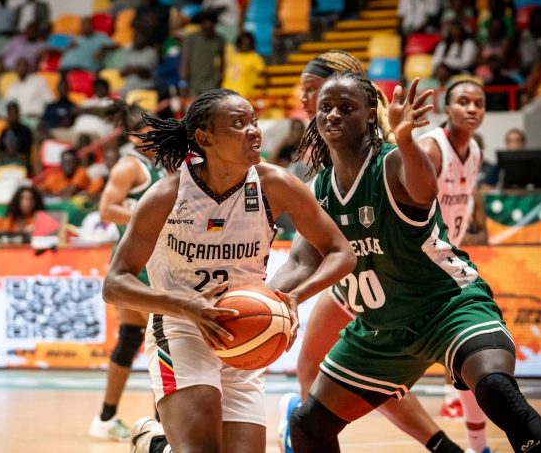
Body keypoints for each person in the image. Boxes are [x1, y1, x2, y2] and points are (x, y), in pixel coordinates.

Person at [278, 72, 541, 453]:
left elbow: (425, 189)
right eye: (326, 108)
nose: (333, 115)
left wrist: (407, 140)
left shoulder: (392, 162)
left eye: (346, 108)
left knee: (495, 388)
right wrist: (264, 297)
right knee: (307, 425)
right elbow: (300, 261)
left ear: (370, 116)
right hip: (381, 329)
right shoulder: (319, 190)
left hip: (447, 307)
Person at [103, 88, 356, 453]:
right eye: (238, 124)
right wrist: (185, 305)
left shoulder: (276, 184)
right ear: (205, 138)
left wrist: (293, 297)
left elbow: (341, 253)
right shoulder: (166, 195)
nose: (254, 131)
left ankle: (157, 446)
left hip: (243, 330)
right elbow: (114, 284)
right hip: (182, 328)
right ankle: (158, 444)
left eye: (254, 121)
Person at [277, 50, 463, 453]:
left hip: (396, 270)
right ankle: (311, 432)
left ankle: (311, 430)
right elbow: (305, 251)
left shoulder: (386, 146)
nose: (305, 99)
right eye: (308, 94)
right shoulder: (327, 147)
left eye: (312, 89)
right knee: (321, 367)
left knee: (365, 372)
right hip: (358, 271)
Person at [417, 79, 491, 452]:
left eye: (479, 102)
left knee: (470, 351)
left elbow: (464, 200)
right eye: (463, 101)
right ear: (447, 108)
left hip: (449, 259)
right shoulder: (431, 148)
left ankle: (478, 445)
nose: (472, 108)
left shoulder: (474, 150)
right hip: (419, 262)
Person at [90, 102, 168, 441]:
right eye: (151, 132)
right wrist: (147, 215)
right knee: (164, 341)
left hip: (146, 262)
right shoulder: (128, 166)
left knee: (132, 338)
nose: (157, 136)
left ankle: (106, 418)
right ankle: (163, 425)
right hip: (138, 265)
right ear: (137, 136)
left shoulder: (158, 165)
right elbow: (107, 209)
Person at [181, 12, 225, 97]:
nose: (208, 25)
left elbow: (222, 62)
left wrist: (220, 79)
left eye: (211, 22)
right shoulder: (191, 38)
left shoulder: (219, 40)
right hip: (193, 82)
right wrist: (183, 83)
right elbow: (185, 61)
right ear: (201, 24)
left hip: (211, 83)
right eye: (205, 22)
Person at [38, 149, 102, 199]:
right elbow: (39, 191)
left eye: (71, 162)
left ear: (77, 163)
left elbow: (69, 193)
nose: (68, 165)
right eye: (65, 162)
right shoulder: (56, 175)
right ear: (61, 164)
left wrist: (50, 195)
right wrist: (53, 195)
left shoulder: (81, 172)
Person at [221, 31, 265, 98]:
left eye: (247, 43)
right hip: (225, 93)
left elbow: (263, 74)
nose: (244, 45)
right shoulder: (233, 55)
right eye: (242, 42)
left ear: (251, 44)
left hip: (243, 95)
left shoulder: (254, 57)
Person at [0, 102, 33, 166]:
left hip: (21, 164)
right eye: (10, 114)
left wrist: (14, 155)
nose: (12, 117)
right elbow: (0, 153)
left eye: (14, 114)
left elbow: (26, 155)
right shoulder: (4, 132)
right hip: (5, 163)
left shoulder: (26, 131)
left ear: (18, 115)